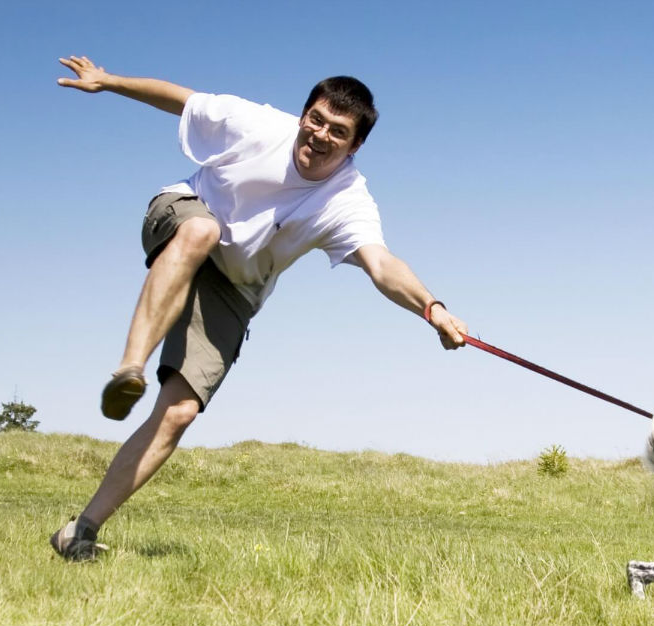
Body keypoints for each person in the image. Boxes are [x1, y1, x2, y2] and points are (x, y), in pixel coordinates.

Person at [49, 55, 469, 561]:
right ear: (302, 115)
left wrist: (432, 307)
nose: (318, 135)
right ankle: (130, 369)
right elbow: (180, 98)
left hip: (235, 285)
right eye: (314, 119)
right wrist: (109, 81)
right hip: (183, 215)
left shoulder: (348, 200)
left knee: (179, 412)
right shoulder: (256, 124)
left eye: (337, 131)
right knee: (201, 231)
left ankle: (80, 532)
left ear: (355, 146)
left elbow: (380, 264)